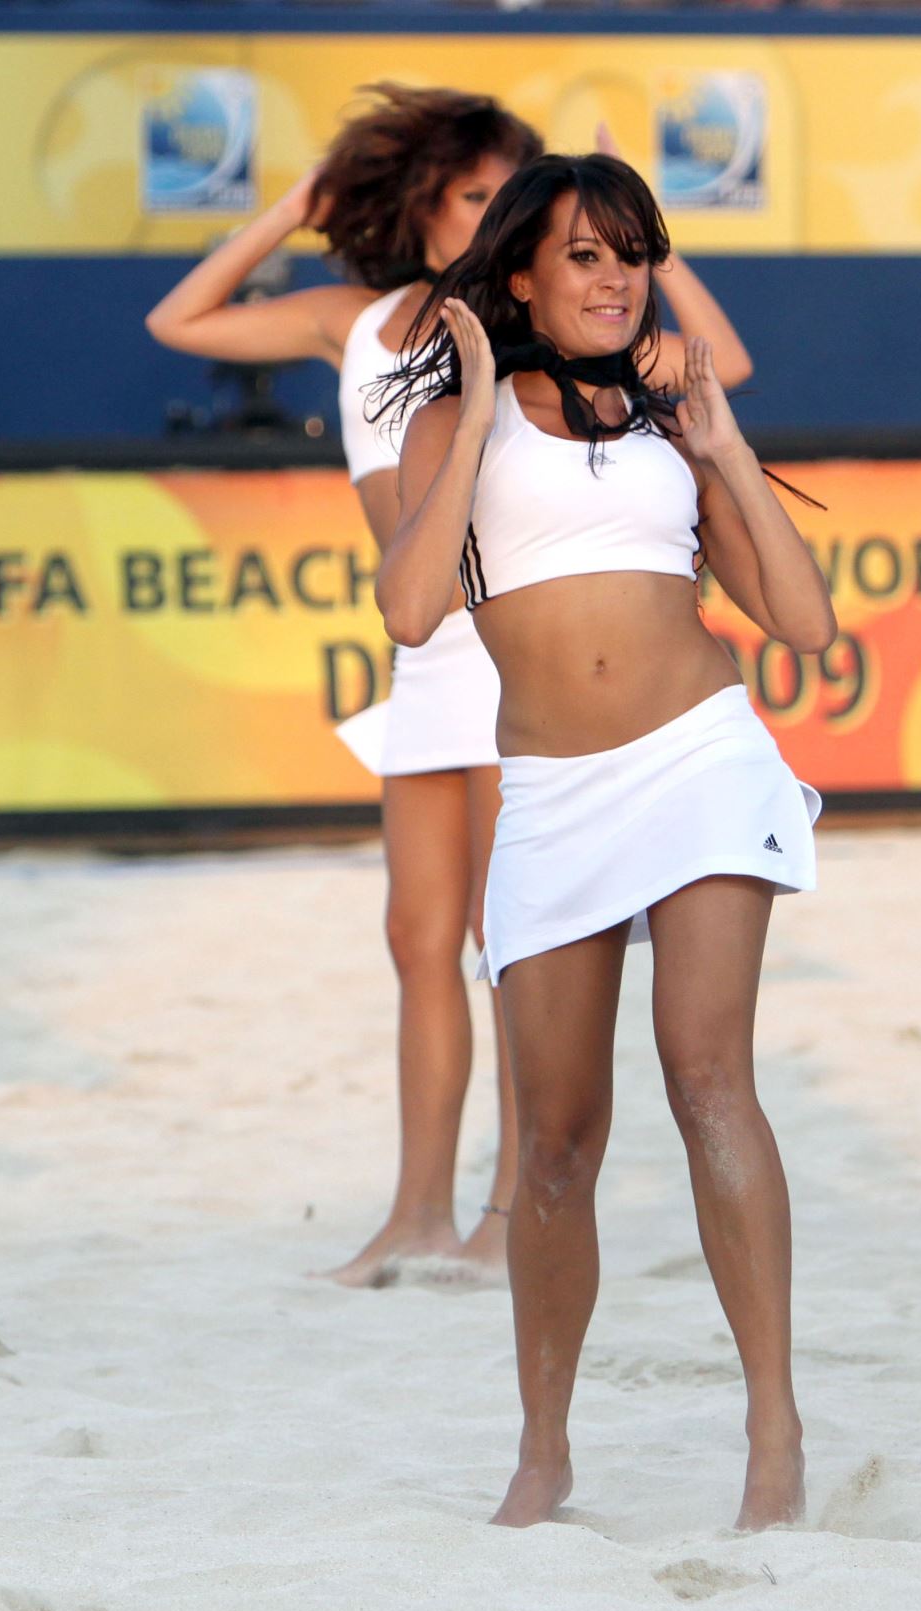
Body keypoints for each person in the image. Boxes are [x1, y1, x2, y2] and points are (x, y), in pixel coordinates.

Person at [147, 88, 754, 1285]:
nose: (493, 214)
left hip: (511, 651)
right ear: (423, 205)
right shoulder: (355, 321)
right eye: (475, 193)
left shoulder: (537, 337)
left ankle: (500, 1208)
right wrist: (297, 205)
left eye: (508, 197)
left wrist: (645, 226)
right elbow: (182, 318)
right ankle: (416, 1208)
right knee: (417, 939)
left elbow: (720, 366)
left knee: (505, 943)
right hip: (420, 650)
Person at [377, 154, 832, 1528]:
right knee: (558, 1145)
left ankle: (771, 1429)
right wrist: (463, 418)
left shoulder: (664, 424)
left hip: (699, 760)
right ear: (521, 274)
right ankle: (543, 1446)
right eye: (582, 254)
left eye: (630, 253)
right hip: (556, 800)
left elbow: (802, 625)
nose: (613, 276)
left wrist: (722, 444)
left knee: (708, 1078)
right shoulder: (453, 423)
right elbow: (408, 612)